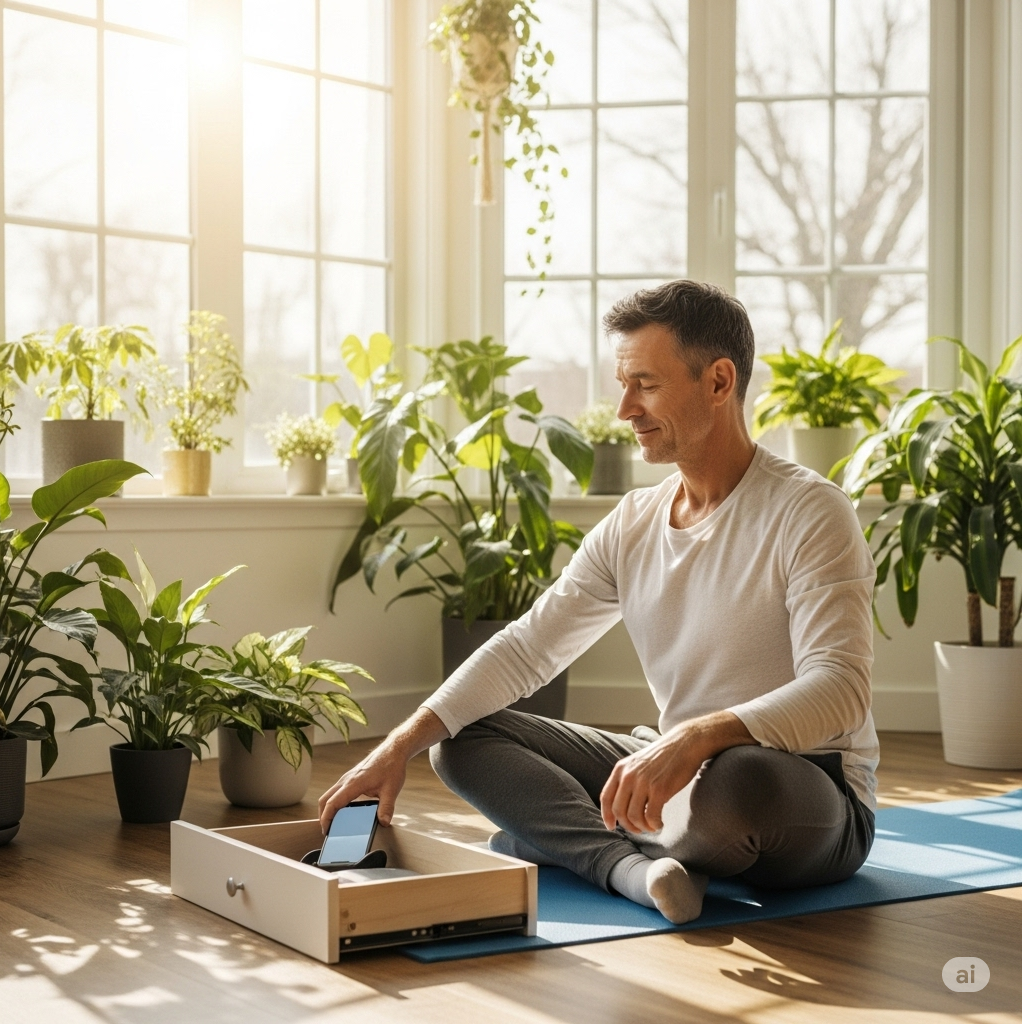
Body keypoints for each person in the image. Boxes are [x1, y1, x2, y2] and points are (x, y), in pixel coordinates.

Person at [319, 280, 878, 924]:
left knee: (737, 784)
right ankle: (631, 870)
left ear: (719, 382)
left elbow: (840, 688)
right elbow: (530, 646)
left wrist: (695, 738)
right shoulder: (633, 521)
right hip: (674, 773)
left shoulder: (810, 511)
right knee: (461, 736)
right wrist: (398, 745)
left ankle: (559, 840)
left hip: (801, 790)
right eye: (623, 384)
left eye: (645, 384)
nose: (623, 409)